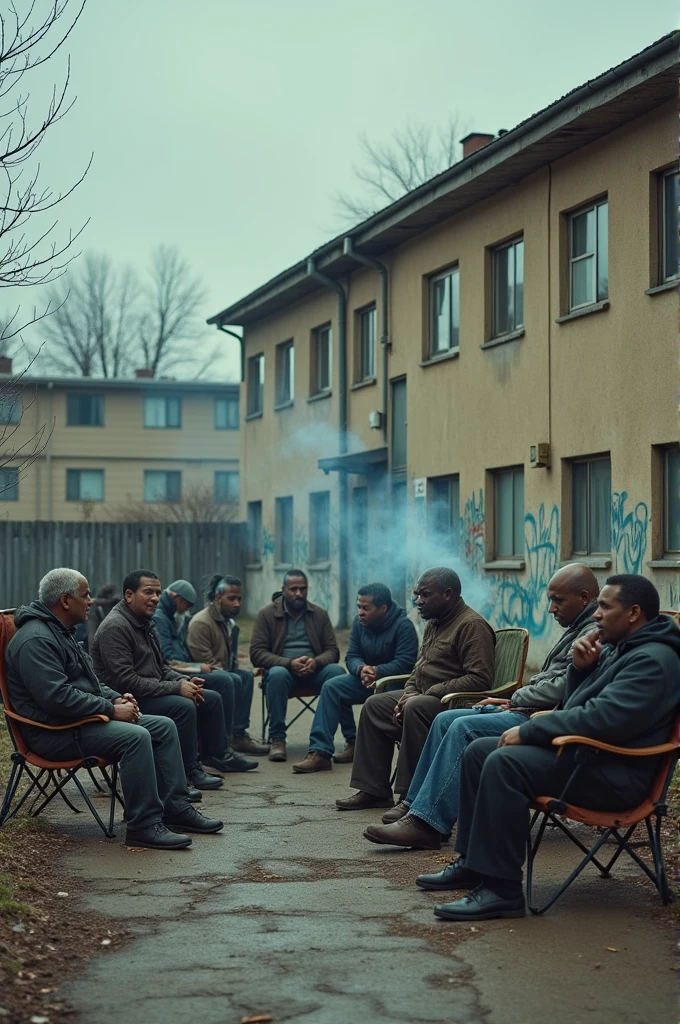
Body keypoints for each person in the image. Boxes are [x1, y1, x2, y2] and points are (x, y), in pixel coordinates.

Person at [422, 574, 680, 923]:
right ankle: (473, 864)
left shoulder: (653, 660)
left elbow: (602, 719)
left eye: (605, 606)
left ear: (633, 612)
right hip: (591, 760)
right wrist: (579, 670)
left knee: (505, 763)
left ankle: (502, 891)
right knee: (480, 751)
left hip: (618, 777)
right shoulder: (622, 649)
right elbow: (575, 707)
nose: (597, 614)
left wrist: (529, 730)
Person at [363, 563, 600, 848]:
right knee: (444, 719)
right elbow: (418, 669)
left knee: (462, 726)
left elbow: (560, 686)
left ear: (585, 598)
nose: (551, 608)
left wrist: (515, 698)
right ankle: (416, 807)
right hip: (529, 708)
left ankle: (427, 824)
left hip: (544, 719)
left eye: (557, 600)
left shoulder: (592, 633)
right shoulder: (579, 628)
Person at [4, 568, 223, 850]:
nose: (92, 601)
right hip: (51, 734)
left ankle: (176, 809)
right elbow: (56, 698)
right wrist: (109, 709)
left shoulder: (61, 632)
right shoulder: (37, 639)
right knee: (136, 737)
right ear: (66, 600)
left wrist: (118, 698)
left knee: (162, 726)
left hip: (76, 722)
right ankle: (143, 826)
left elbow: (91, 681)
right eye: (86, 595)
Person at [336, 567, 495, 812]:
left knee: (416, 707)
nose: (418, 601)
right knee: (375, 705)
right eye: (416, 595)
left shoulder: (471, 625)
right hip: (423, 696)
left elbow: (480, 679)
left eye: (425, 595)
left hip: (455, 704)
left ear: (448, 594)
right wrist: (410, 691)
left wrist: (427, 694)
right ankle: (374, 790)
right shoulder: (434, 623)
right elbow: (418, 669)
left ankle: (412, 798)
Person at [91, 569, 233, 792]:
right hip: (127, 701)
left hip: (148, 690)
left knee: (210, 697)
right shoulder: (115, 627)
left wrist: (185, 680)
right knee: (182, 706)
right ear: (129, 595)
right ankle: (185, 774)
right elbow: (125, 681)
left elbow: (162, 667)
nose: (155, 598)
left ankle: (213, 758)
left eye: (158, 592)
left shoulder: (144, 622)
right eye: (148, 592)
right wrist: (177, 688)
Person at [292, 582, 419, 773]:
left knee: (376, 701)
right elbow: (351, 656)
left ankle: (360, 751)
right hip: (366, 680)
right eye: (358, 607)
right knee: (332, 687)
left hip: (394, 686)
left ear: (383, 608)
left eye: (365, 608)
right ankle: (320, 753)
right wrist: (361, 669)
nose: (360, 612)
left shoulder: (404, 626)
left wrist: (377, 671)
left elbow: (405, 663)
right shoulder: (359, 623)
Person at [154, 578, 260, 769]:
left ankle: (236, 735)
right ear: (175, 598)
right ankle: (223, 746)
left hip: (181, 671)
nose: (187, 609)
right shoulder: (160, 618)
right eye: (186, 604)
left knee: (242, 676)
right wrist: (197, 667)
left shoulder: (172, 617)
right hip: (175, 674)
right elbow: (168, 660)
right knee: (225, 680)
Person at [249, 570, 345, 762]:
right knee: (276, 674)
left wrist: (316, 662)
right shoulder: (266, 614)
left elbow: (332, 651)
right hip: (284, 674)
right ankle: (277, 739)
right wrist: (288, 663)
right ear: (283, 590)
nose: (298, 593)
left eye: (303, 589)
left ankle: (350, 739)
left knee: (337, 672)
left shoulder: (319, 614)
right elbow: (257, 653)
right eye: (293, 589)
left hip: (314, 672)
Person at [186, 574, 268, 756]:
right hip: (199, 675)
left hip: (220, 671)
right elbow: (206, 663)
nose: (237, 603)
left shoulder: (226, 621)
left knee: (245, 676)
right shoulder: (201, 623)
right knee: (231, 679)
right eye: (231, 599)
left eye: (239, 598)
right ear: (217, 598)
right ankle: (224, 740)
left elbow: (228, 659)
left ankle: (238, 734)